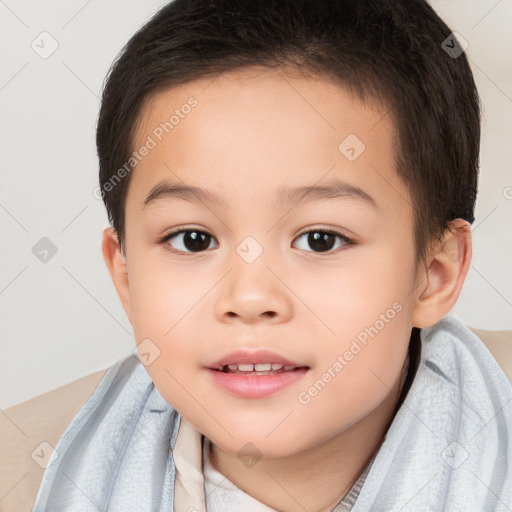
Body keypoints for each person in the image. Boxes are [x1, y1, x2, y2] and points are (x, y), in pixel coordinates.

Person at [3, 0, 512, 510]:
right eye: (193, 239)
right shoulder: (28, 476)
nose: (249, 298)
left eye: (320, 239)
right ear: (127, 274)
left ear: (435, 274)